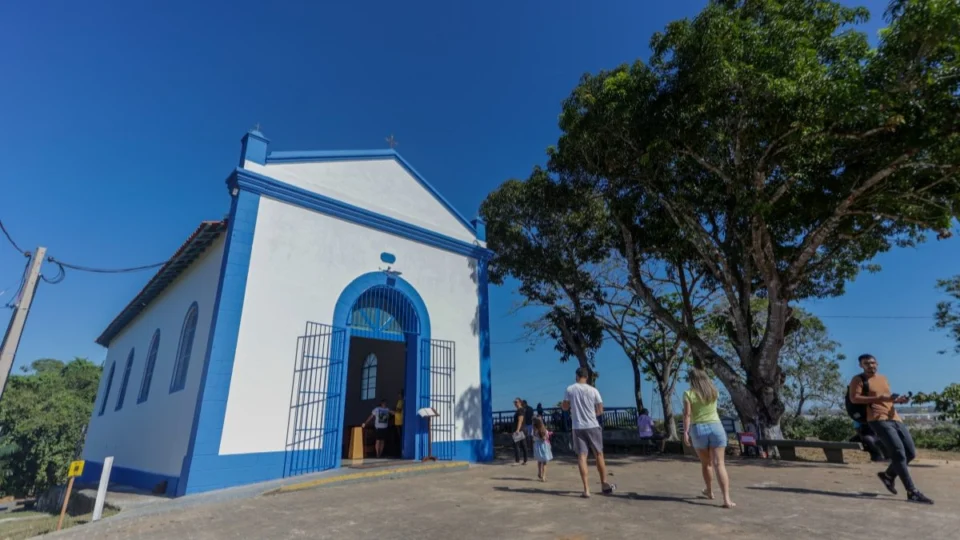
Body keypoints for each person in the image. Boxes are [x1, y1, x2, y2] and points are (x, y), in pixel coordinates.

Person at [849, 354, 933, 504]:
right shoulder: (858, 379)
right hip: (877, 419)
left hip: (894, 417)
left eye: (872, 363)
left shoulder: (883, 378)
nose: (870, 365)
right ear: (861, 365)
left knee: (910, 453)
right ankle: (912, 492)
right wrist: (879, 398)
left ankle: (888, 476)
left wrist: (898, 400)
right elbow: (854, 398)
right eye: (866, 363)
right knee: (898, 453)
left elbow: (887, 399)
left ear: (877, 363)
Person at [683, 368, 735, 509]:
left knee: (706, 464)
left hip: (698, 429)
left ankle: (709, 491)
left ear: (692, 380)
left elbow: (687, 415)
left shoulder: (688, 394)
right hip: (716, 427)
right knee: (720, 464)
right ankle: (726, 499)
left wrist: (685, 432)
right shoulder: (714, 392)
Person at [562, 367, 615, 498]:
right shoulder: (593, 390)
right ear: (587, 377)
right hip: (592, 425)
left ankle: (586, 489)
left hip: (577, 426)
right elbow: (600, 409)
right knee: (599, 454)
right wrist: (592, 415)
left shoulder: (570, 389)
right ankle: (604, 483)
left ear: (576, 376)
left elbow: (565, 407)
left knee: (582, 456)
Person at [532, 417, 553, 482]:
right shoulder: (543, 430)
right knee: (544, 462)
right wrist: (548, 435)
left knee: (539, 460)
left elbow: (533, 438)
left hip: (537, 446)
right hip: (544, 446)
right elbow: (544, 438)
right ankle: (544, 476)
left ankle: (539, 472)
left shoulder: (535, 430)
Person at [511, 397, 528, 466]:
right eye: (514, 402)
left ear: (520, 402)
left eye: (516, 402)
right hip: (521, 429)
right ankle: (525, 460)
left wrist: (517, 430)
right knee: (523, 445)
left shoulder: (520, 410)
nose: (515, 403)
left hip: (520, 430)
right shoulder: (519, 410)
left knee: (517, 445)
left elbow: (520, 420)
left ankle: (517, 461)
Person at [394, 389, 404, 456]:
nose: (398, 395)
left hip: (399, 421)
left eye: (399, 394)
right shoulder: (400, 401)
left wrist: (392, 411)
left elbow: (398, 410)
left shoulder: (401, 401)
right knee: (399, 436)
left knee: (400, 437)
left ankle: (400, 452)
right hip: (398, 421)